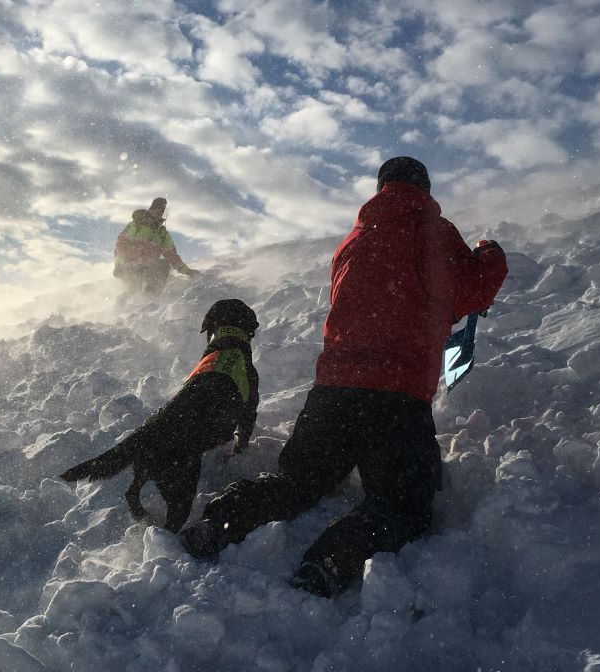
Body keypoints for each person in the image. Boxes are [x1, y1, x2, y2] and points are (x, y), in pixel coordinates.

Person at [178, 157, 508, 597]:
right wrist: (490, 252)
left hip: (332, 393)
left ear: (380, 187)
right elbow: (471, 289)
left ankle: (220, 521)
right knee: (402, 503)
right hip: (395, 399)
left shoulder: (351, 241)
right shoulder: (429, 230)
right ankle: (332, 560)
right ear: (424, 188)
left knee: (297, 481)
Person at [61, 299, 259, 533]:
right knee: (176, 517)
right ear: (248, 332)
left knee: (153, 444)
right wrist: (241, 445)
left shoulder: (210, 362)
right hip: (181, 446)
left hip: (159, 429)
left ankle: (135, 495)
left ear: (212, 329)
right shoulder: (244, 368)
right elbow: (248, 413)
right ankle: (167, 539)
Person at [113, 197, 196, 295]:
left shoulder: (162, 233)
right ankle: (129, 301)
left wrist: (187, 271)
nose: (158, 212)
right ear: (151, 209)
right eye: (156, 209)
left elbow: (172, 256)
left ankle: (151, 296)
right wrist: (118, 264)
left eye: (161, 210)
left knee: (163, 265)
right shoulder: (135, 225)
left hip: (150, 267)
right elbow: (120, 246)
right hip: (130, 267)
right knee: (132, 291)